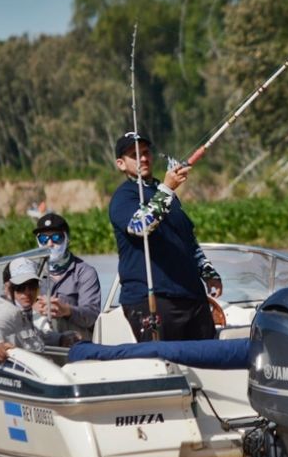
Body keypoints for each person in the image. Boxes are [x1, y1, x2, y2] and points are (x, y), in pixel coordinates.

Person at [109, 131, 223, 342]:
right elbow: (140, 226)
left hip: (191, 296)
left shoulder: (165, 194)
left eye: (146, 152)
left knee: (206, 361)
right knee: (165, 363)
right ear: (121, 164)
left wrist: (208, 271)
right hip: (152, 299)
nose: (143, 158)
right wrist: (167, 188)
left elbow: (188, 240)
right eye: (134, 155)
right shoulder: (124, 196)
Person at [0, 256, 80, 363]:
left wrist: (60, 338)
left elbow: (35, 336)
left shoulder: (23, 311)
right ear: (8, 288)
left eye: (32, 285)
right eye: (20, 287)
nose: (27, 292)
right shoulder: (6, 311)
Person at [31, 212, 102, 341]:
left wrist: (67, 310)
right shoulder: (31, 272)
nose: (50, 243)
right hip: (40, 339)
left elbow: (93, 316)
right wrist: (32, 307)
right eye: (43, 239)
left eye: (56, 237)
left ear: (67, 239)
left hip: (75, 340)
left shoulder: (85, 272)